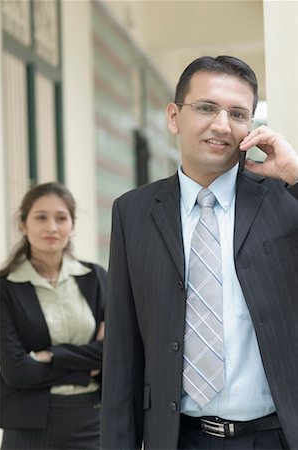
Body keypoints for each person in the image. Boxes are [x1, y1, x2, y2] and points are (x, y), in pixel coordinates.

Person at [101, 55, 298, 450]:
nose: (222, 125)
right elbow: (122, 354)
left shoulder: (285, 200)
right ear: (174, 116)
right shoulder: (133, 212)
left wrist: (297, 176)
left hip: (276, 437)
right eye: (206, 108)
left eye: (238, 113)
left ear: (251, 127)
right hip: (180, 439)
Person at [0, 182, 107, 450]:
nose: (52, 227)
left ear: (72, 225)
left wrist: (50, 357)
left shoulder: (95, 279)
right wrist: (85, 368)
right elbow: (16, 371)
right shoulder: (5, 288)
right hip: (28, 426)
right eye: (41, 217)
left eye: (61, 218)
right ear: (23, 224)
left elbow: (113, 353)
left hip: (92, 421)